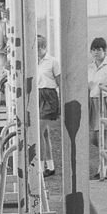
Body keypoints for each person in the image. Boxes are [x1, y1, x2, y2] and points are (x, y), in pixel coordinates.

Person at [37, 35, 61, 177]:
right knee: (44, 133)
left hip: (49, 96)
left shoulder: (53, 62)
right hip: (38, 96)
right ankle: (50, 166)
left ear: (45, 47)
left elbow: (59, 82)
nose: (37, 52)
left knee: (38, 132)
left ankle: (39, 166)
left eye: (40, 48)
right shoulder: (33, 61)